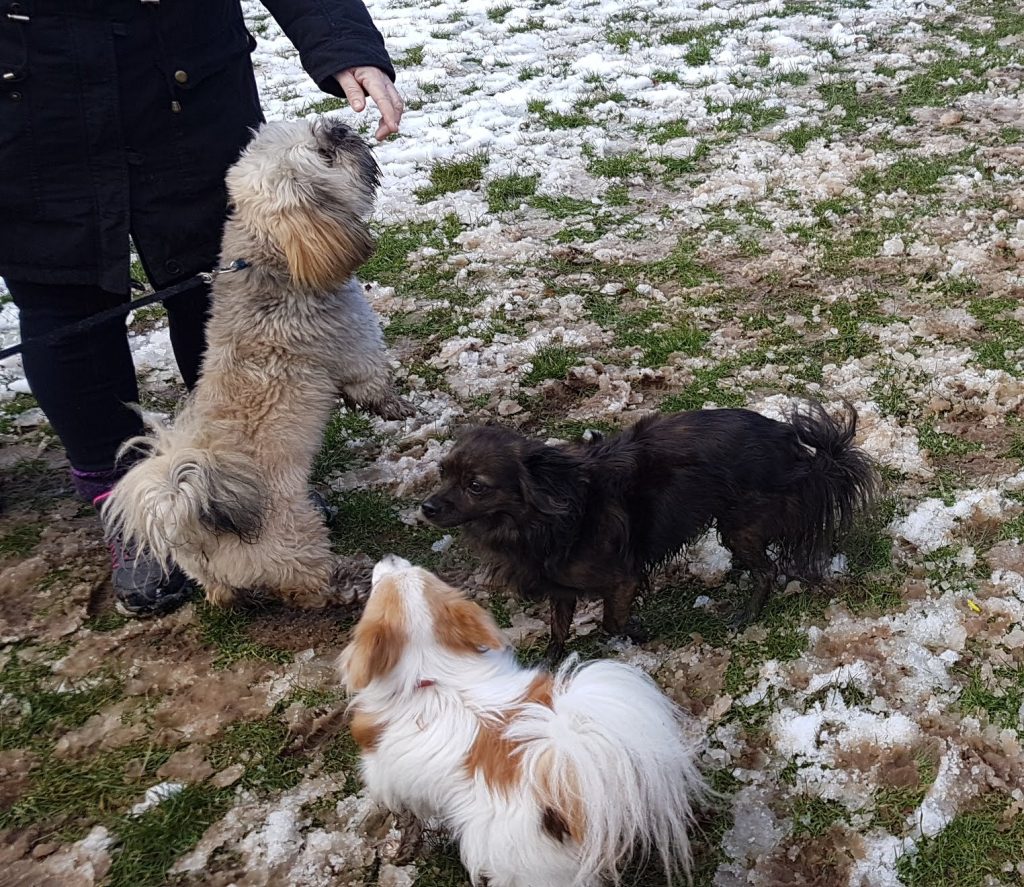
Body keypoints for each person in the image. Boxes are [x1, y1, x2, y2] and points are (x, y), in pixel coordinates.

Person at [0, 0, 402, 617]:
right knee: (61, 292)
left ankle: (245, 483)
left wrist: (343, 43)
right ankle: (128, 509)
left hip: (180, 75)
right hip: (30, 94)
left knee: (213, 278)